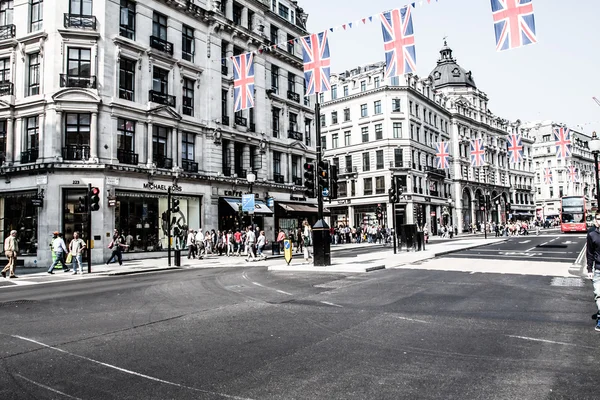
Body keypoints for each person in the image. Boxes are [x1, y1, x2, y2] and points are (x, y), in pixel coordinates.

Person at [587, 212, 600, 331]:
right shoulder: (592, 235)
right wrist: (589, 269)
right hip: (598, 270)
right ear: (596, 221)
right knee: (598, 294)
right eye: (599, 219)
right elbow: (590, 253)